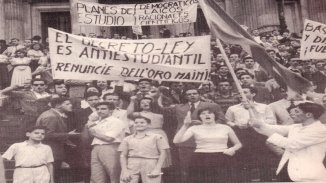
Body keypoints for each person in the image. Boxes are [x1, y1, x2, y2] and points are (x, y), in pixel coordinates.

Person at [250, 102, 326, 182]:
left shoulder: (320, 130)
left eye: (297, 112)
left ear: (308, 115)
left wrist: (266, 130)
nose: (292, 114)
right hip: (288, 170)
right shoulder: (297, 127)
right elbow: (274, 128)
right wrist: (260, 124)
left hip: (308, 175)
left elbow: (292, 144)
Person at [173, 108, 242, 183]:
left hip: (223, 157)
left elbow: (238, 144)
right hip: (201, 159)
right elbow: (176, 141)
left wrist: (232, 149)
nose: (206, 115)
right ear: (200, 117)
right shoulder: (194, 128)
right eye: (203, 113)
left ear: (214, 115)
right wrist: (185, 125)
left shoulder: (226, 128)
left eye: (209, 113)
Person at [225, 86, 277, 181]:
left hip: (260, 134)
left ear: (253, 94)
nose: (241, 94)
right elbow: (228, 121)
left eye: (245, 92)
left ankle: (266, 180)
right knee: (243, 160)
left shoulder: (264, 107)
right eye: (240, 93)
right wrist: (236, 125)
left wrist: (260, 122)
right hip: (242, 134)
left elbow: (272, 121)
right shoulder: (232, 108)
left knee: (264, 159)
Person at [36, 97, 79, 182]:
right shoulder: (51, 116)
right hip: (52, 151)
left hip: (54, 151)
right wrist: (68, 135)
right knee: (52, 175)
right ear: (58, 105)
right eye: (67, 104)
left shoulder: (52, 114)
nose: (71, 105)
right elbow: (47, 135)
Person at [119, 116, 169, 183]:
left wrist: (157, 169)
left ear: (148, 124)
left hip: (151, 163)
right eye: (136, 122)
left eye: (142, 122)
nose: (139, 124)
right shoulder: (127, 139)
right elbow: (123, 155)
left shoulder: (157, 137)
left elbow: (163, 153)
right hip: (132, 163)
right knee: (126, 180)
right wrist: (124, 171)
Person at [127, 96, 172, 168]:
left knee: (160, 156)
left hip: (159, 134)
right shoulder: (137, 114)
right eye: (142, 102)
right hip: (145, 134)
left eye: (148, 102)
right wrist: (132, 101)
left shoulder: (161, 113)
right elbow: (129, 114)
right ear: (139, 105)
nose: (145, 103)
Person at [87, 102, 126, 183]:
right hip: (96, 148)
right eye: (97, 109)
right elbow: (88, 135)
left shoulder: (116, 121)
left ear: (111, 110)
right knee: (96, 176)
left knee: (114, 174)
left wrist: (93, 132)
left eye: (103, 109)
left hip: (110, 147)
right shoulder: (97, 122)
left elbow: (109, 138)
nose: (99, 111)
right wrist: (90, 123)